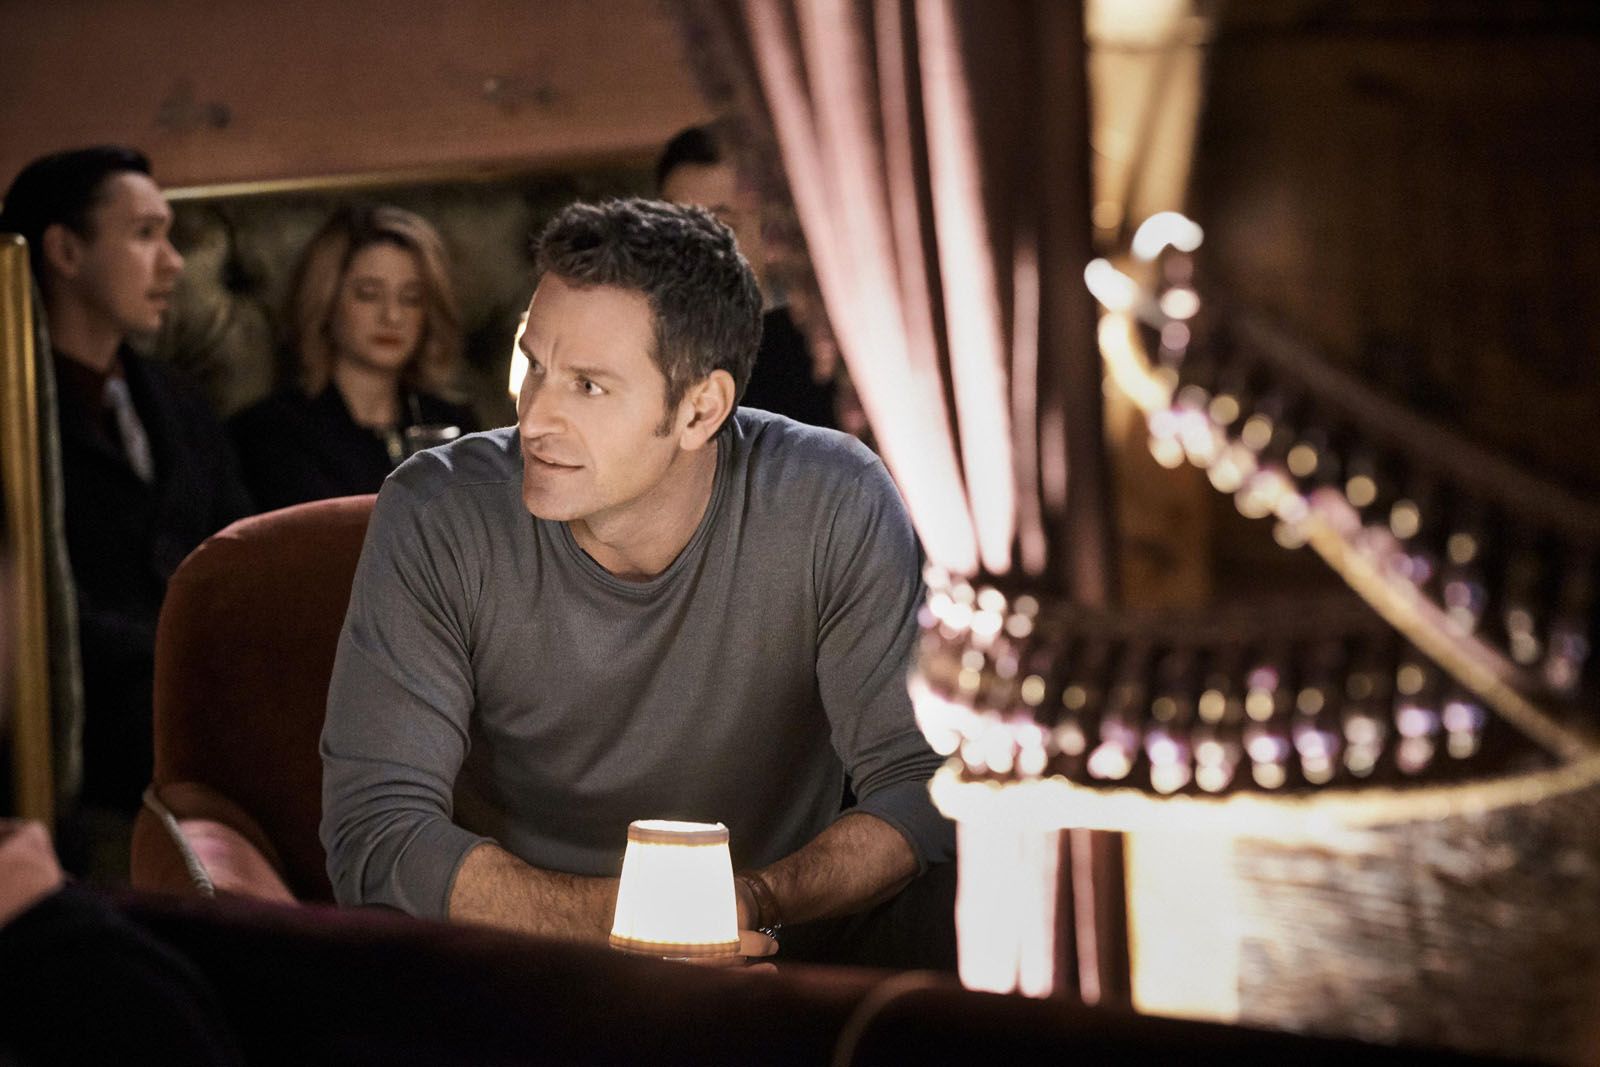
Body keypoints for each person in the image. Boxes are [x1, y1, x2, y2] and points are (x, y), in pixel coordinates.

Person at [320, 198, 953, 967]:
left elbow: (920, 786)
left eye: (587, 386)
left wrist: (759, 899)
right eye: (534, 366)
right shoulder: (436, 511)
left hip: (772, 961)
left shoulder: (833, 501)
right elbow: (377, 833)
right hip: (516, 969)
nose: (534, 419)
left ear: (700, 410)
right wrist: (636, 922)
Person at [0, 146, 253, 842]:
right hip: (101, 729)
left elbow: (245, 549)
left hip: (215, 696)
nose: (173, 263)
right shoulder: (16, 415)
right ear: (65, 251)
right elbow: (42, 612)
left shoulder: (177, 399)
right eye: (145, 235)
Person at [229, 204, 478, 511]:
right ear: (327, 300)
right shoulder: (272, 434)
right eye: (368, 294)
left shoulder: (454, 426)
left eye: (411, 298)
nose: (393, 316)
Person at [657, 124, 839, 430]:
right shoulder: (644, 352)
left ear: (769, 234)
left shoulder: (816, 356)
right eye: (674, 227)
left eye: (720, 227)